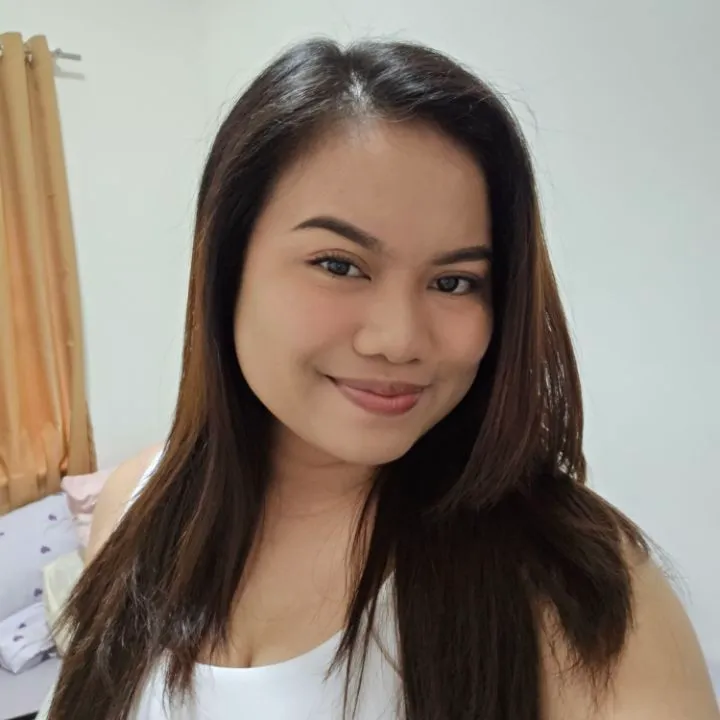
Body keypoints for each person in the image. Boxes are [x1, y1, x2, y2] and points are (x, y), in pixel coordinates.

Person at [43, 39, 718, 719]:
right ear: (227, 268)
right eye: (339, 265)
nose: (398, 340)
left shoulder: (574, 585)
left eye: (454, 282)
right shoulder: (134, 503)